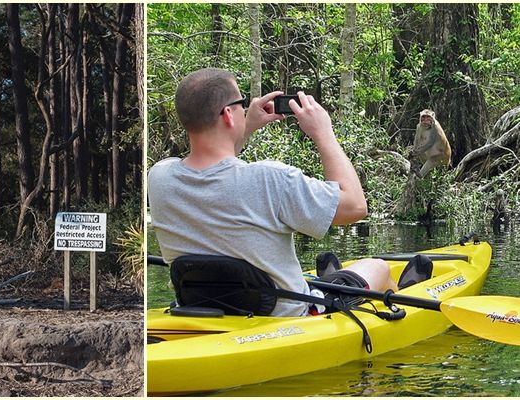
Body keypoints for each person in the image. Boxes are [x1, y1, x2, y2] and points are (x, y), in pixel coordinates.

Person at [148, 67, 397, 317]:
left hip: (201, 311)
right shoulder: (271, 179)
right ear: (227, 114)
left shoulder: (159, 178)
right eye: (241, 104)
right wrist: (323, 133)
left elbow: (216, 171)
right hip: (289, 317)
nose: (245, 108)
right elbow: (355, 207)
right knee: (378, 267)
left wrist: (245, 126)